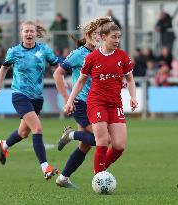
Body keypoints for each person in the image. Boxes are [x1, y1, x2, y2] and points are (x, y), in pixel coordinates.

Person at [64, 22, 138, 175]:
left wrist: (133, 97)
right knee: (102, 141)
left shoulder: (123, 57)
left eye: (119, 37)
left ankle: (101, 170)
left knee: (119, 145)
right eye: (113, 37)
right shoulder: (92, 58)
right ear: (104, 37)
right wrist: (70, 100)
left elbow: (130, 80)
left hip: (115, 103)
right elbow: (81, 80)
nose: (117, 40)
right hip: (96, 103)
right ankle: (98, 176)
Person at [0, 21, 59, 180]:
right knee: (37, 128)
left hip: (37, 98)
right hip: (20, 95)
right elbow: (4, 68)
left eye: (31, 31)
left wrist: (62, 78)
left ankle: (4, 145)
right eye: (26, 31)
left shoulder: (43, 50)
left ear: (36, 33)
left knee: (23, 133)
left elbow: (57, 65)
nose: (29, 34)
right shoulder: (14, 51)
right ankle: (45, 167)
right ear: (21, 33)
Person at [54, 17, 113, 188]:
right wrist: (67, 100)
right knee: (103, 139)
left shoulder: (101, 53)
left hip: (97, 104)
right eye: (94, 33)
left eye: (99, 33)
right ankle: (70, 134)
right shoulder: (79, 54)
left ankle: (63, 178)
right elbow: (58, 74)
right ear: (87, 35)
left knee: (85, 145)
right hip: (82, 104)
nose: (97, 36)